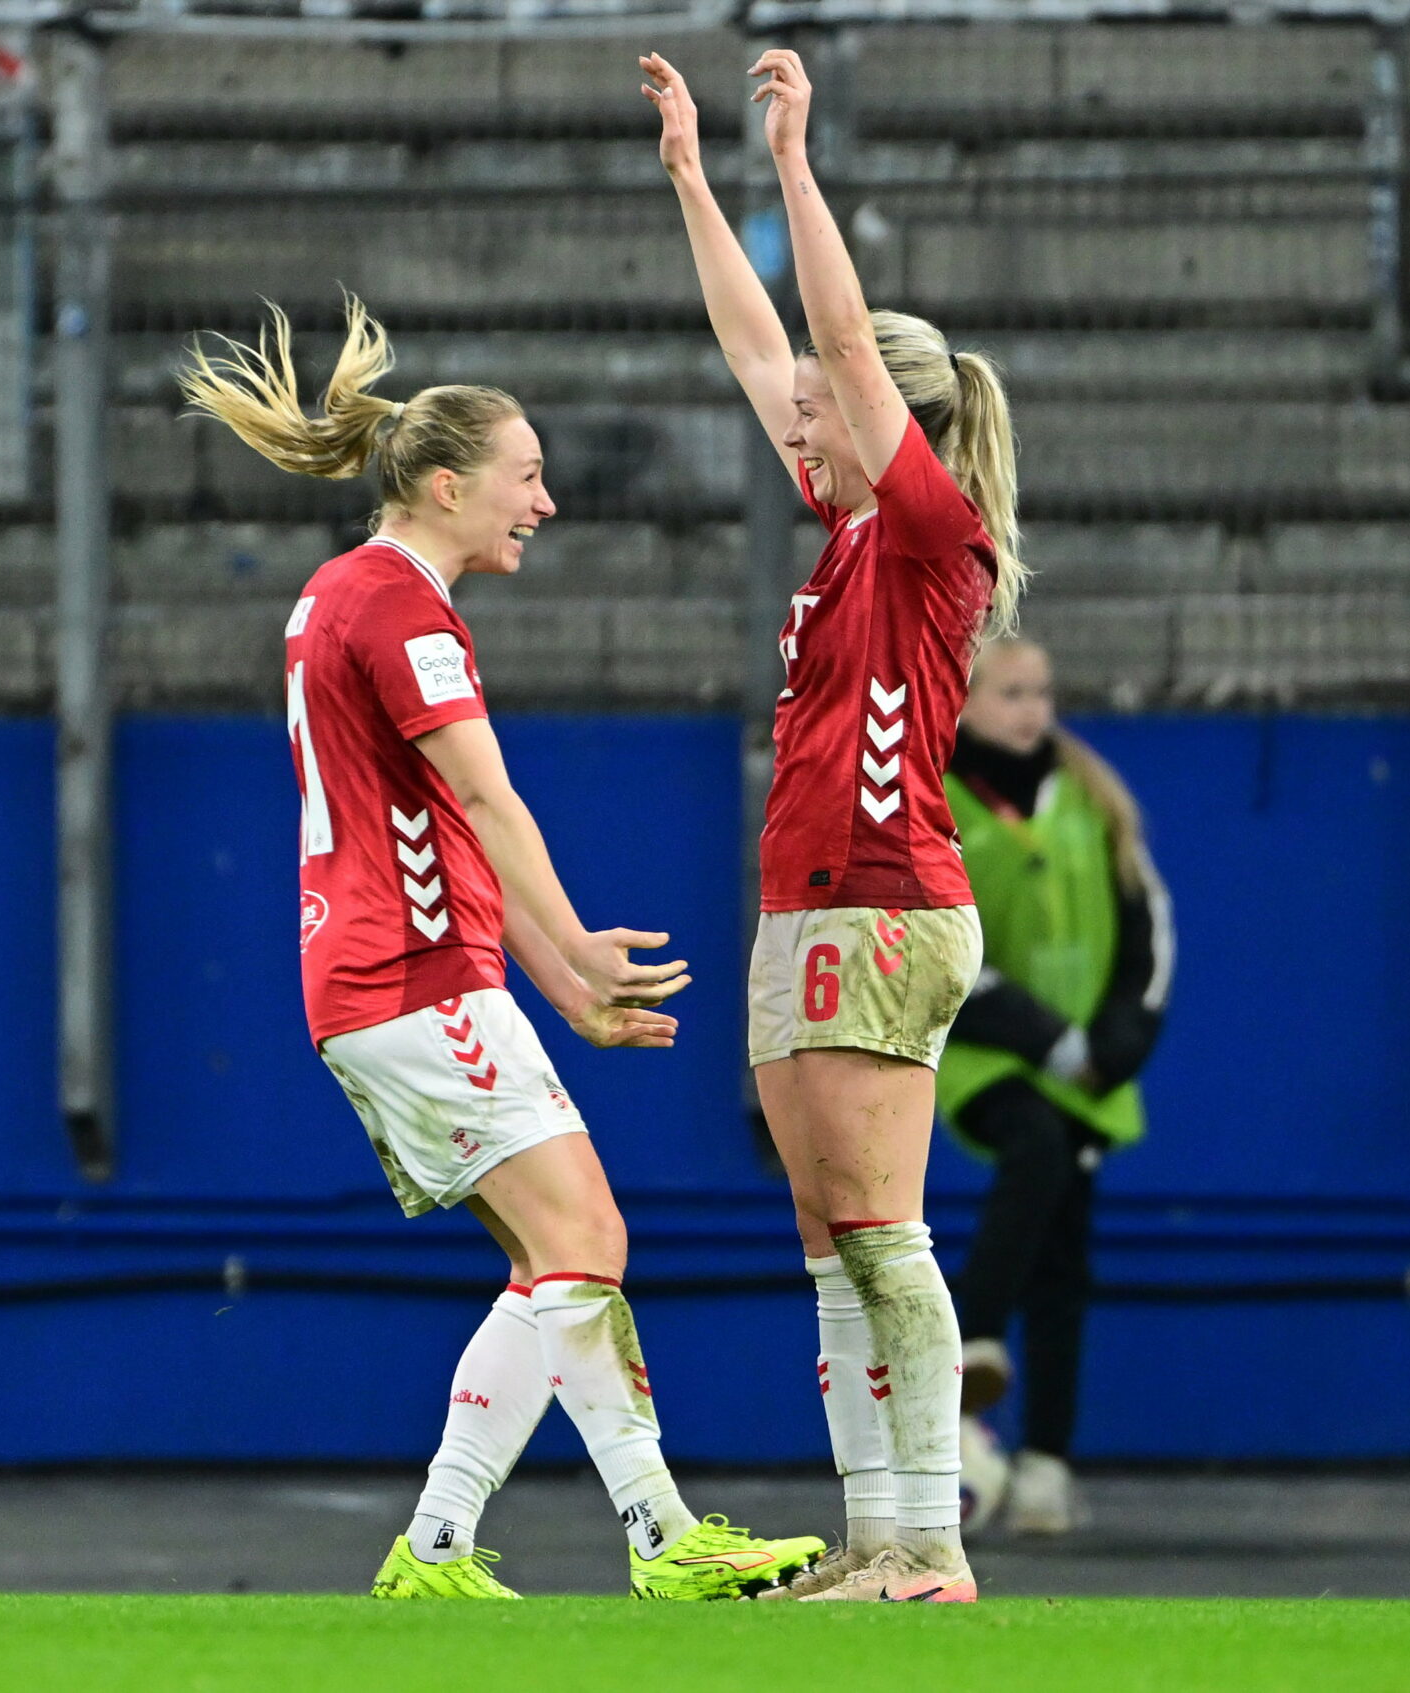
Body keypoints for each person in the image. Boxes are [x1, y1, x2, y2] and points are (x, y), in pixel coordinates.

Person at [179, 296, 823, 1601]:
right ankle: (502, 1542)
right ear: (446, 484)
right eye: (526, 478)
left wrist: (565, 984)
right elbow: (486, 801)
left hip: (389, 977)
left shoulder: (339, 597)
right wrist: (577, 940)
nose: (546, 501)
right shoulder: (398, 608)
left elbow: (438, 828)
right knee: (585, 1236)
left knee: (556, 1257)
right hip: (412, 978)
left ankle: (621, 1535)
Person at [645, 45, 1026, 1602]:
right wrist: (690, 174)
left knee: (882, 1227)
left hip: (879, 899)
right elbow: (767, 348)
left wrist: (795, 163)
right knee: (826, 1234)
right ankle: (875, 1531)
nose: (795, 435)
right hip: (809, 902)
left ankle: (929, 1540)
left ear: (892, 422)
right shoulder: (854, 520)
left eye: (822, 417)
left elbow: (832, 347)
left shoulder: (933, 532)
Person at [938, 638, 1172, 1535]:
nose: (1030, 708)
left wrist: (1115, 1042)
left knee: (1067, 1253)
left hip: (1091, 1069)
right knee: (1031, 1143)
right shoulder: (935, 796)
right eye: (1009, 692)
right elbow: (941, 939)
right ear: (960, 701)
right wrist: (1045, 1035)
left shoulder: (1091, 794)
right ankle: (973, 1341)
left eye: (1041, 690)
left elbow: (1149, 924)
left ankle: (1044, 1462)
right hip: (987, 1050)